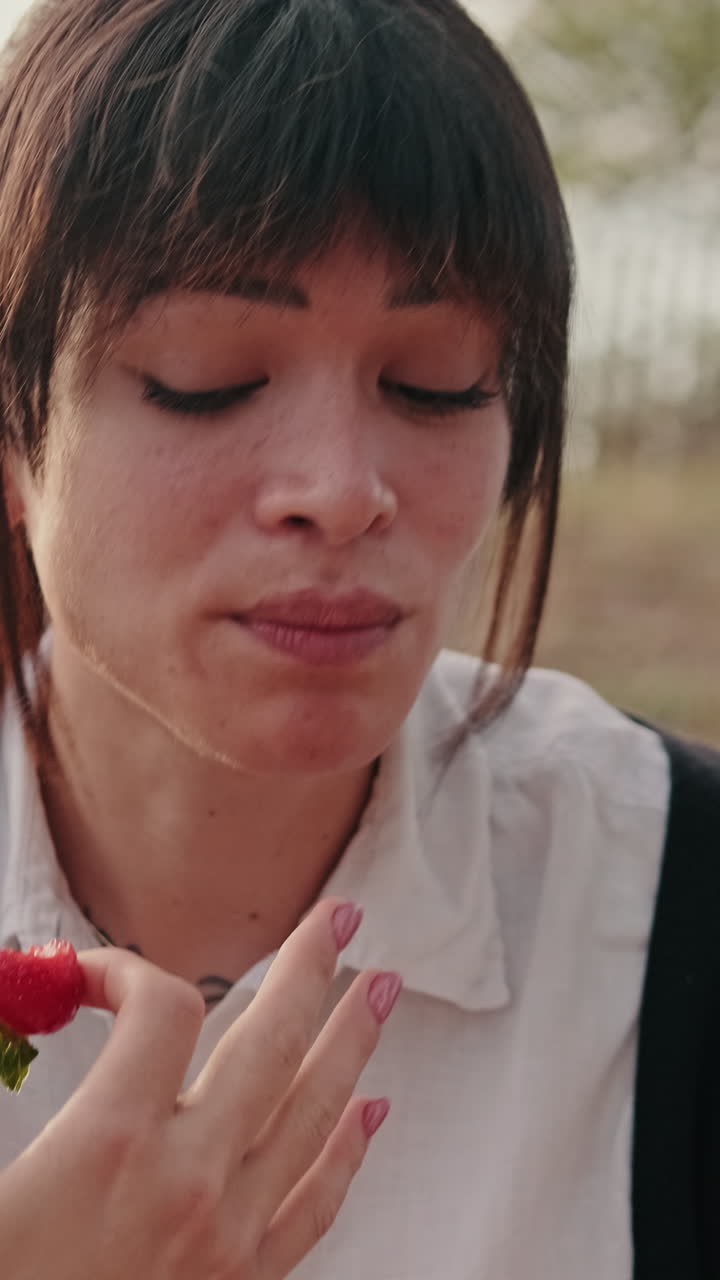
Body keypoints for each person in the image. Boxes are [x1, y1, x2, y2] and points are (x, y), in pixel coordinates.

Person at [0, 0, 717, 1276]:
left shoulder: (674, 900)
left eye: (434, 380)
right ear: (15, 431)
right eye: (206, 375)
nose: (340, 488)